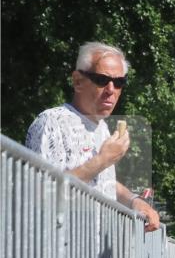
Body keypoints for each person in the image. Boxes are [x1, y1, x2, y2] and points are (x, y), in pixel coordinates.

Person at [26, 41, 160, 231]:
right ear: (78, 81)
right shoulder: (52, 121)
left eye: (119, 82)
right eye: (101, 80)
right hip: (59, 255)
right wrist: (102, 160)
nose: (111, 90)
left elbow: (102, 181)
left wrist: (135, 201)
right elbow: (42, 192)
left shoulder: (103, 129)